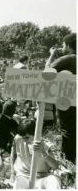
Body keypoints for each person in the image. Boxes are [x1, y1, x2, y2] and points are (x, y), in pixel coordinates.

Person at [45, 33, 76, 163]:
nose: (62, 47)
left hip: (68, 104)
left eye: (63, 45)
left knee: (68, 134)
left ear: (68, 46)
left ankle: (68, 163)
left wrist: (52, 54)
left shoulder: (69, 58)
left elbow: (46, 73)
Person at [10, 119, 61, 189]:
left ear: (36, 134)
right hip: (23, 176)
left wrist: (43, 153)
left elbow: (55, 166)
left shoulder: (47, 145)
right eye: (23, 138)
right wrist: (12, 173)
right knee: (18, 184)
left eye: (27, 138)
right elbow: (13, 155)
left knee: (54, 181)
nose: (24, 141)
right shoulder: (18, 138)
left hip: (41, 178)